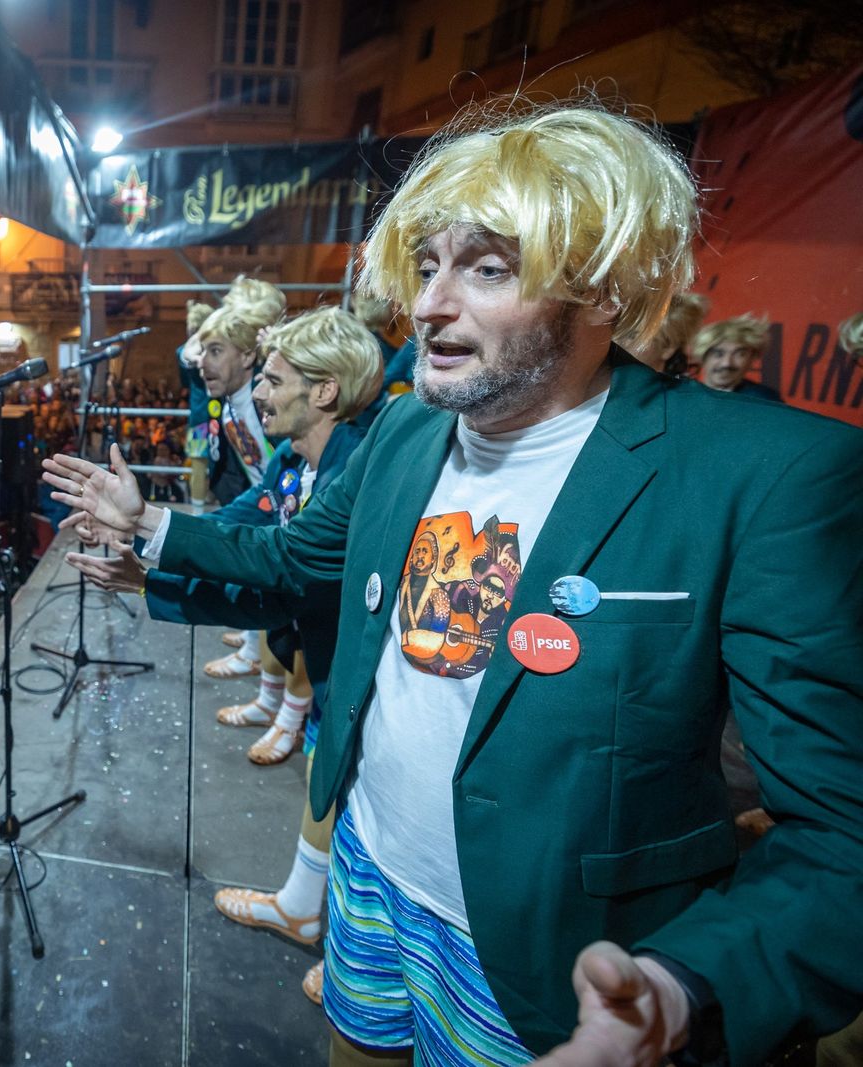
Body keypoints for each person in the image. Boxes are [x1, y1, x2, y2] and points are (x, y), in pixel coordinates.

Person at [47, 102, 863, 1065]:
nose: (430, 303)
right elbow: (300, 562)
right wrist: (149, 525)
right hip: (367, 874)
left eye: (487, 269)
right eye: (428, 264)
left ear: (603, 290)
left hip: (550, 960)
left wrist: (684, 984)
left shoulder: (762, 472)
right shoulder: (406, 429)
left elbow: (840, 835)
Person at [63, 303, 383, 1004]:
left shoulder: (355, 467)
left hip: (361, 685)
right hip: (329, 665)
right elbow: (259, 568)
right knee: (330, 789)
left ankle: (353, 948)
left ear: (325, 390)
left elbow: (278, 565)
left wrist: (147, 523)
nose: (257, 391)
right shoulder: (296, 461)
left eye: (272, 379)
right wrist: (147, 567)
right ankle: (316, 916)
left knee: (355, 807)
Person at [193, 277, 287, 682]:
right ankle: (253, 651)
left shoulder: (267, 399)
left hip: (289, 512)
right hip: (265, 501)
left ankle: (277, 698)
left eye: (214, 351)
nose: (202, 361)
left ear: (249, 354)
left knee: (285, 615)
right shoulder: (231, 399)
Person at [693, 315, 782, 401]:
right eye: (718, 354)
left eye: (740, 354)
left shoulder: (765, 401)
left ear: (752, 358)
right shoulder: (688, 396)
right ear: (702, 356)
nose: (727, 363)